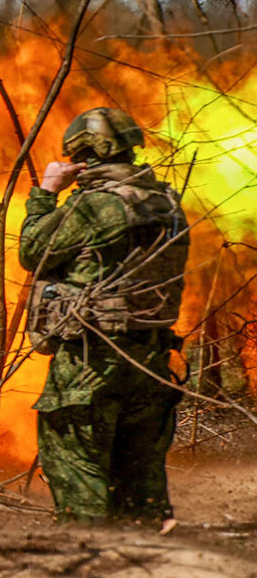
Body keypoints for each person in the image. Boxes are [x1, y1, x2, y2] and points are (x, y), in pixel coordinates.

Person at [20, 107, 189, 530]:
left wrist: (46, 192)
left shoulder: (95, 207)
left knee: (73, 452)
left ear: (85, 154)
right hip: (151, 355)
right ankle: (148, 549)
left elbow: (33, 251)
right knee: (139, 464)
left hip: (92, 357)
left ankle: (90, 546)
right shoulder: (166, 203)